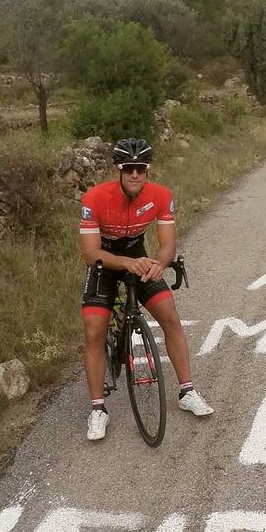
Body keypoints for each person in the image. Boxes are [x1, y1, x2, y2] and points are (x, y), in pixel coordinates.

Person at [78, 137, 214, 440]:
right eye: (129, 169)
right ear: (119, 170)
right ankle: (98, 408)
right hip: (106, 262)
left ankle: (187, 391)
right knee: (93, 329)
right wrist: (126, 263)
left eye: (140, 168)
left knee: (170, 315)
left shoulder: (161, 195)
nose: (135, 174)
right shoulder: (95, 198)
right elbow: (90, 254)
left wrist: (159, 264)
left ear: (147, 169)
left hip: (140, 259)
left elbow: (167, 245)